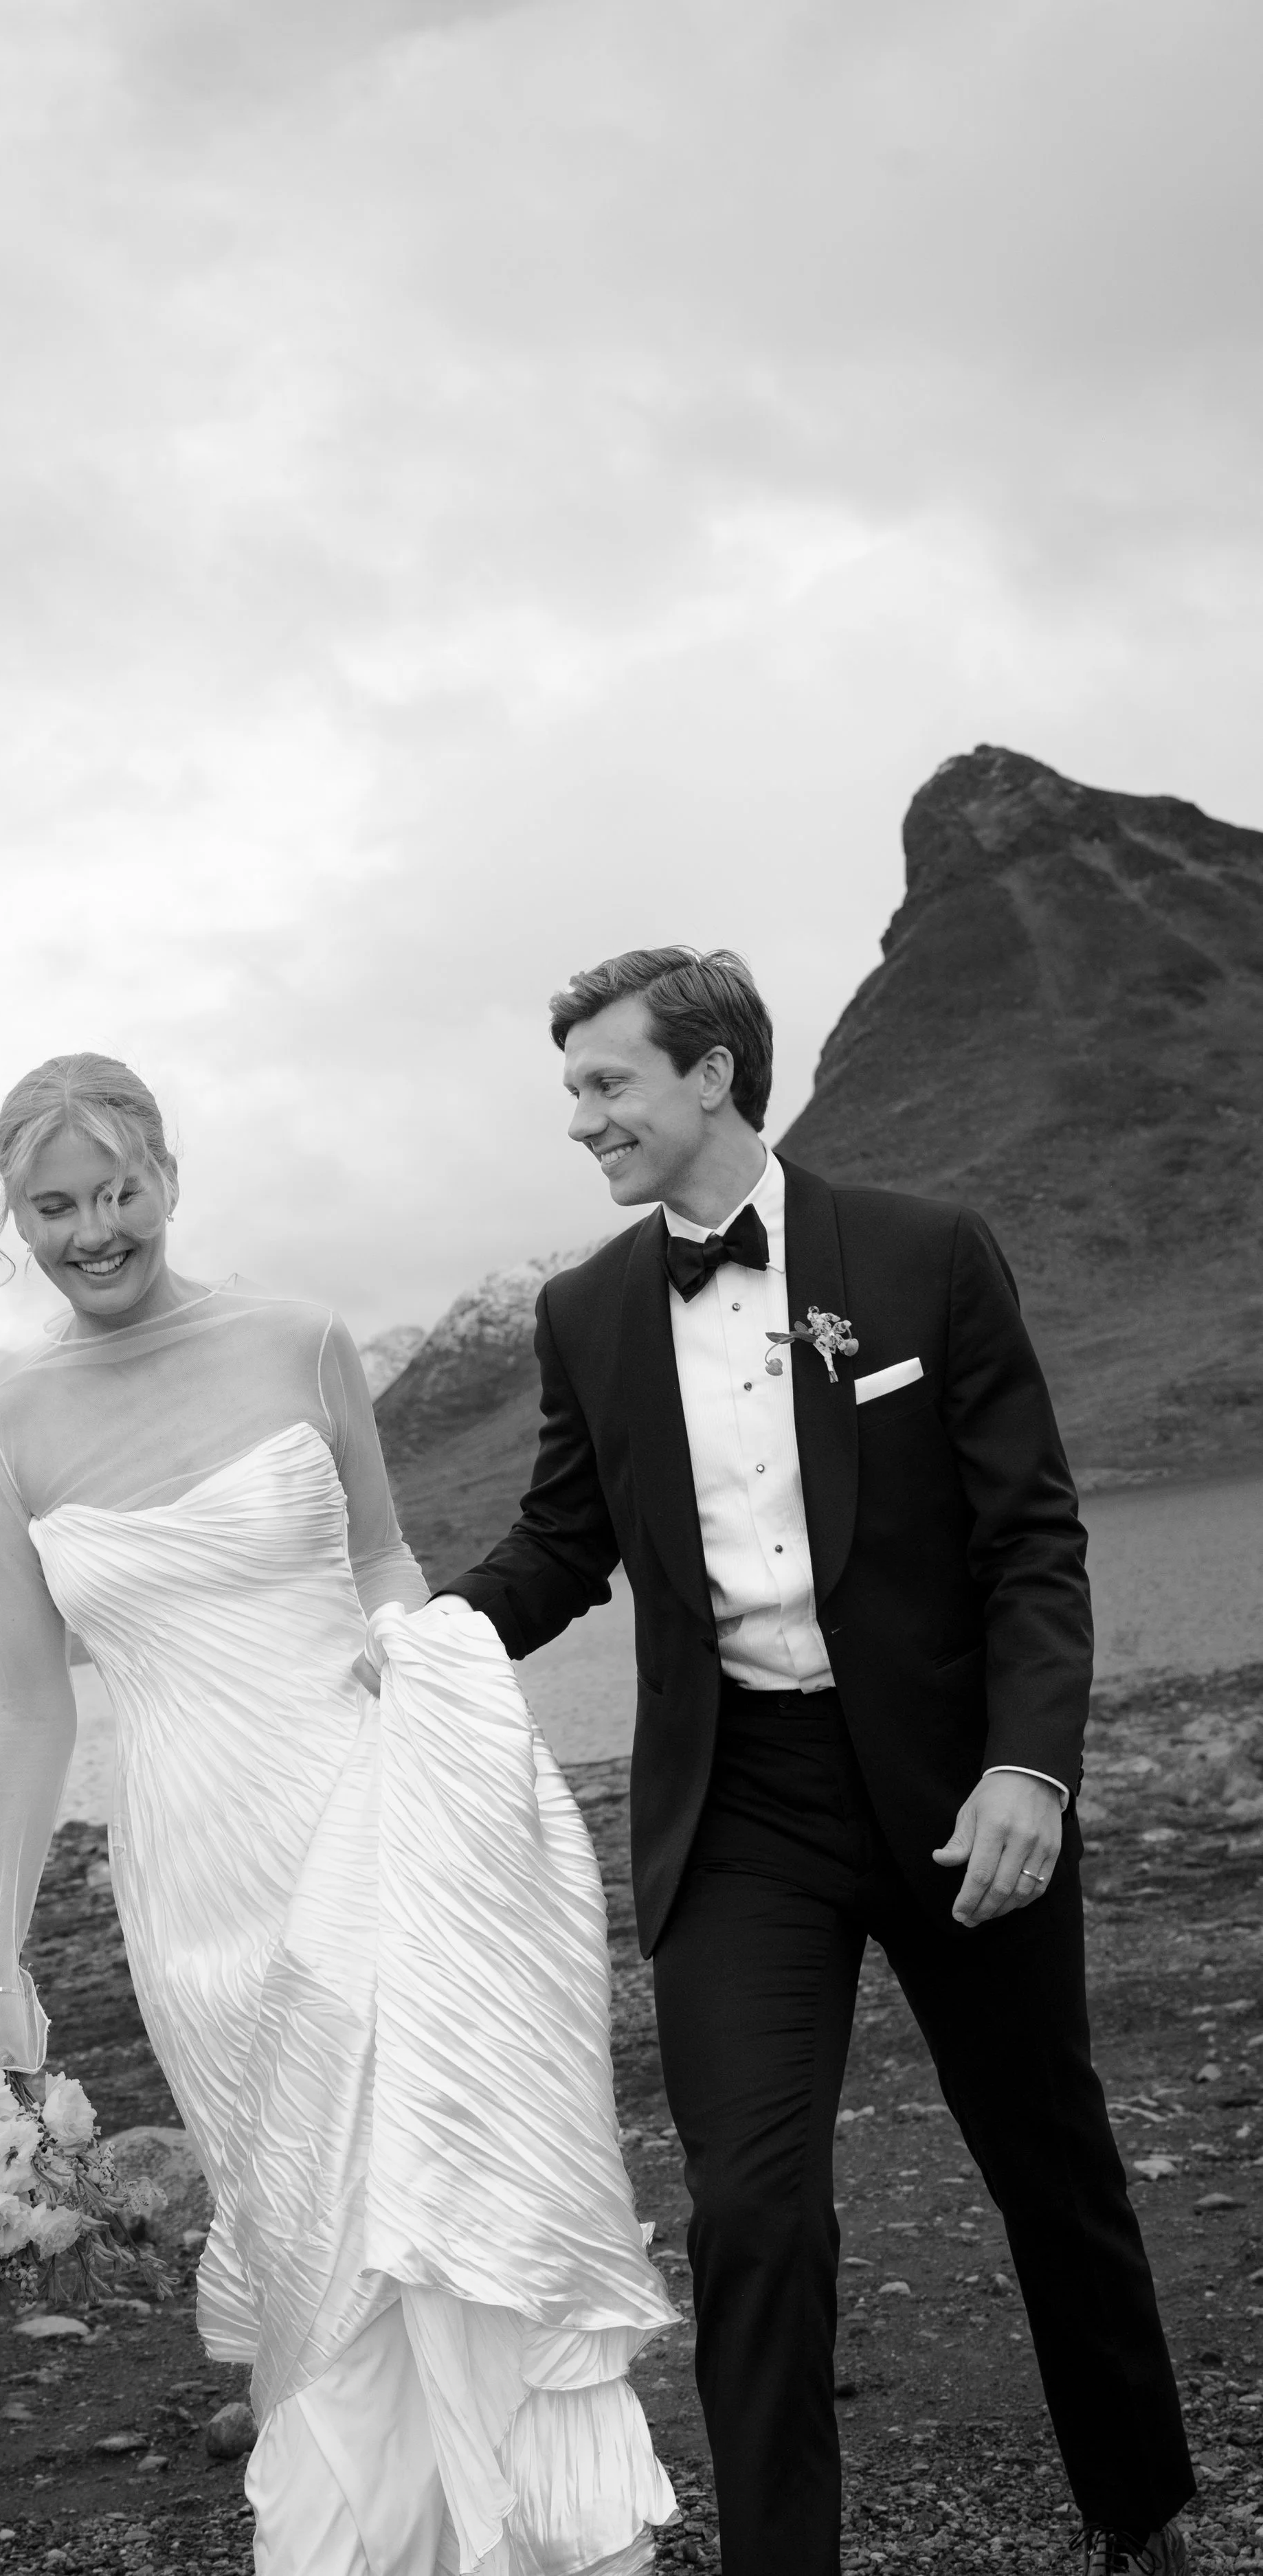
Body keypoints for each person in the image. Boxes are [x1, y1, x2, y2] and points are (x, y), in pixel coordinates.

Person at [0, 1052, 678, 2576]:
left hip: (373, 1813)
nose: (93, 1230)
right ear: (16, 1221)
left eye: (116, 1190)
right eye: (52, 1206)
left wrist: (430, 1677)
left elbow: (387, 1562)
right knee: (309, 2232)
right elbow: (26, 1704)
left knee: (440, 2181)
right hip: (196, 1878)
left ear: (168, 1177)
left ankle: (537, 2545)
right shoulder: (3, 1428)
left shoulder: (299, 1340)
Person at [433, 949, 1194, 2576]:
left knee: (1047, 2170)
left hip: (948, 1790)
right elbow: (561, 1543)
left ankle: (1140, 2514)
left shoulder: (924, 1255)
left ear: (709, 1075)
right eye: (570, 1089)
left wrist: (1028, 1771)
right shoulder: (586, 1315)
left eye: (603, 1083)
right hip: (742, 1812)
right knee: (751, 2212)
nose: (579, 1121)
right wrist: (422, 1644)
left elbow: (1032, 1541)